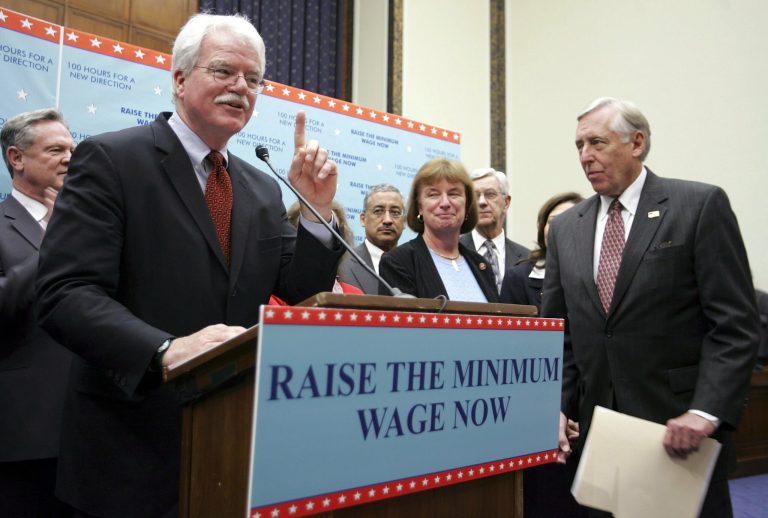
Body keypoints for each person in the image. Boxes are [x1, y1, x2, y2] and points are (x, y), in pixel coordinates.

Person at [35, 13, 344, 517]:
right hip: (131, 442)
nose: (240, 87)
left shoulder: (262, 187)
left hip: (231, 437)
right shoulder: (112, 160)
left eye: (253, 79)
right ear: (179, 79)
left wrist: (315, 212)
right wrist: (165, 349)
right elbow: (65, 294)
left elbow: (299, 286)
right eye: (224, 71)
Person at [542, 97, 759, 517]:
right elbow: (560, 332)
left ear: (637, 142)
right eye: (579, 146)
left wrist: (706, 410)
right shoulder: (567, 228)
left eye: (597, 143)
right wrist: (558, 407)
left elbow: (735, 325)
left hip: (679, 433)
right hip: (599, 438)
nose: (586, 157)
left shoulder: (698, 206)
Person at [0, 108, 74, 517]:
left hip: (94, 429)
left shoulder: (91, 227)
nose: (69, 158)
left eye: (73, 149)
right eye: (56, 149)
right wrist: (56, 241)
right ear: (16, 157)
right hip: (25, 436)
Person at [499, 190, 585, 518]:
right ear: (543, 228)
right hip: (540, 408)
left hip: (590, 406)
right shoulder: (520, 275)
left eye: (572, 220)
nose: (562, 227)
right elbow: (517, 349)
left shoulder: (602, 271)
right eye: (554, 221)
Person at [379, 157, 498, 302]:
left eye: (454, 193)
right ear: (420, 206)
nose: (445, 203)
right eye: (433, 194)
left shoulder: (481, 265)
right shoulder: (398, 262)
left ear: (467, 205)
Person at [500, 191, 583, 308]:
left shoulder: (599, 273)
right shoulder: (517, 277)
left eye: (567, 221)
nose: (557, 228)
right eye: (552, 221)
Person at [460, 167, 530, 293]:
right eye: (475, 197)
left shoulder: (527, 258)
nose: (482, 202)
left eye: (490, 194)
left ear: (506, 202)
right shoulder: (455, 251)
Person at [338, 183, 406, 293]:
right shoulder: (341, 264)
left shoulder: (418, 266)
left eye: (395, 212)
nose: (387, 220)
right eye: (378, 211)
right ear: (363, 219)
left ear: (404, 222)